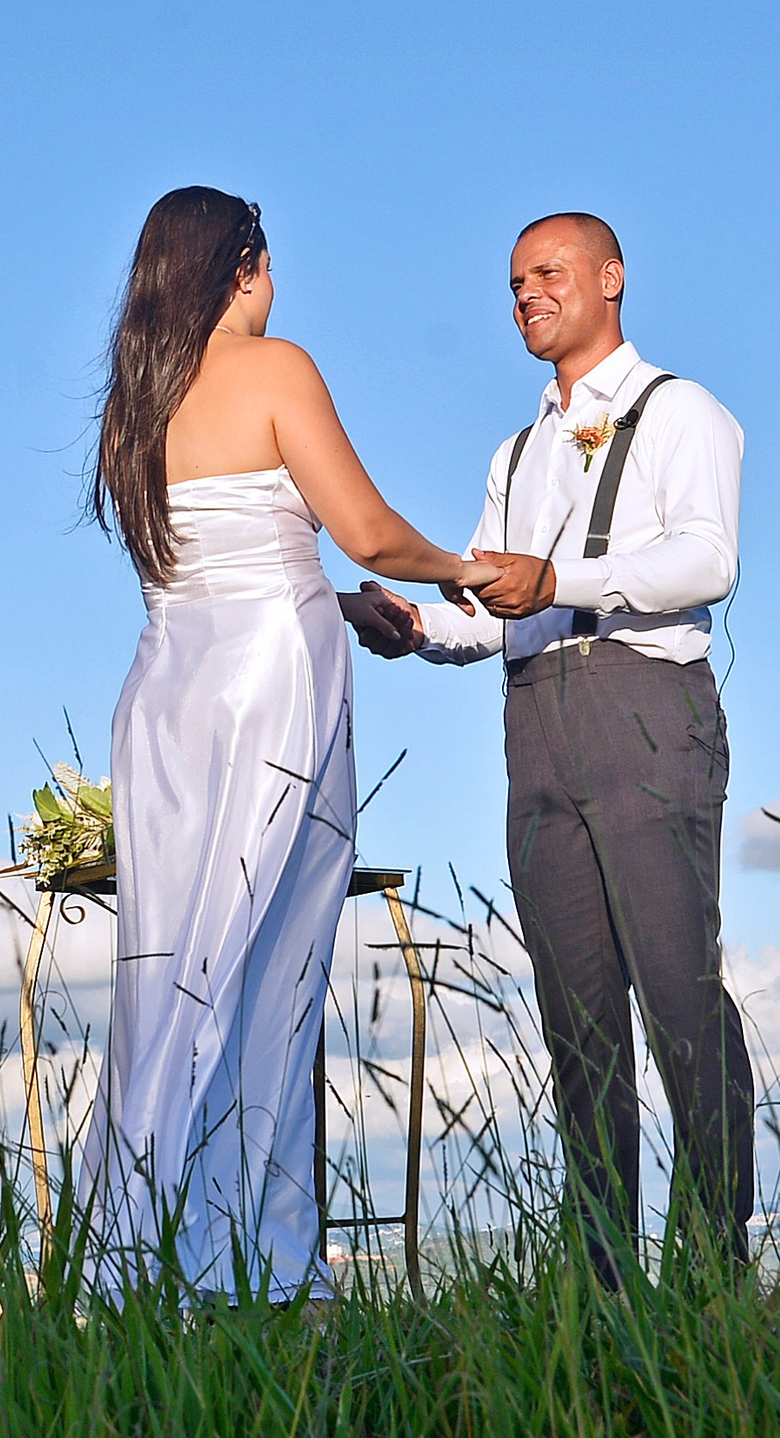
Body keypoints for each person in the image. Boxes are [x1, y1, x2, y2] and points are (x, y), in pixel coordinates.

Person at [77, 186, 500, 1302]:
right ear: (244, 266)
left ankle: (143, 1245)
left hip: (167, 692)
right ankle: (255, 1262)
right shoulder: (274, 367)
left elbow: (215, 557)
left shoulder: (136, 400)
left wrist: (340, 603)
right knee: (272, 968)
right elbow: (360, 528)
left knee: (169, 971)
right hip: (273, 678)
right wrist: (467, 571)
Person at [348, 212, 752, 1279]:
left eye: (548, 273)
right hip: (534, 723)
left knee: (676, 990)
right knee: (575, 1016)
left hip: (645, 707)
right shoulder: (516, 451)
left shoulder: (681, 410)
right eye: (515, 281)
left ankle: (714, 1266)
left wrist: (559, 580)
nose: (526, 293)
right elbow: (496, 615)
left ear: (610, 278)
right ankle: (603, 1271)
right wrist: (418, 628)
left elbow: (707, 561)